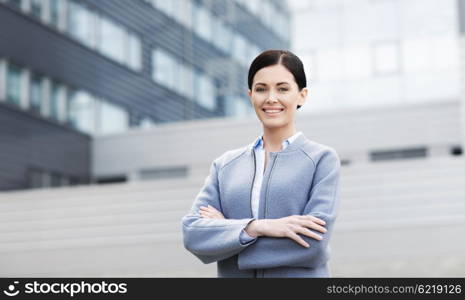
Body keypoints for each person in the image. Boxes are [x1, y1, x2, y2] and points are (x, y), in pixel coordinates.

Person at [181, 49, 341, 278]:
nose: (271, 98)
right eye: (261, 89)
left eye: (283, 88)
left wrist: (229, 235)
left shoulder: (321, 160)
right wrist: (256, 227)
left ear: (302, 95)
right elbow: (193, 234)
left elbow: (313, 245)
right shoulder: (225, 165)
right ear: (250, 95)